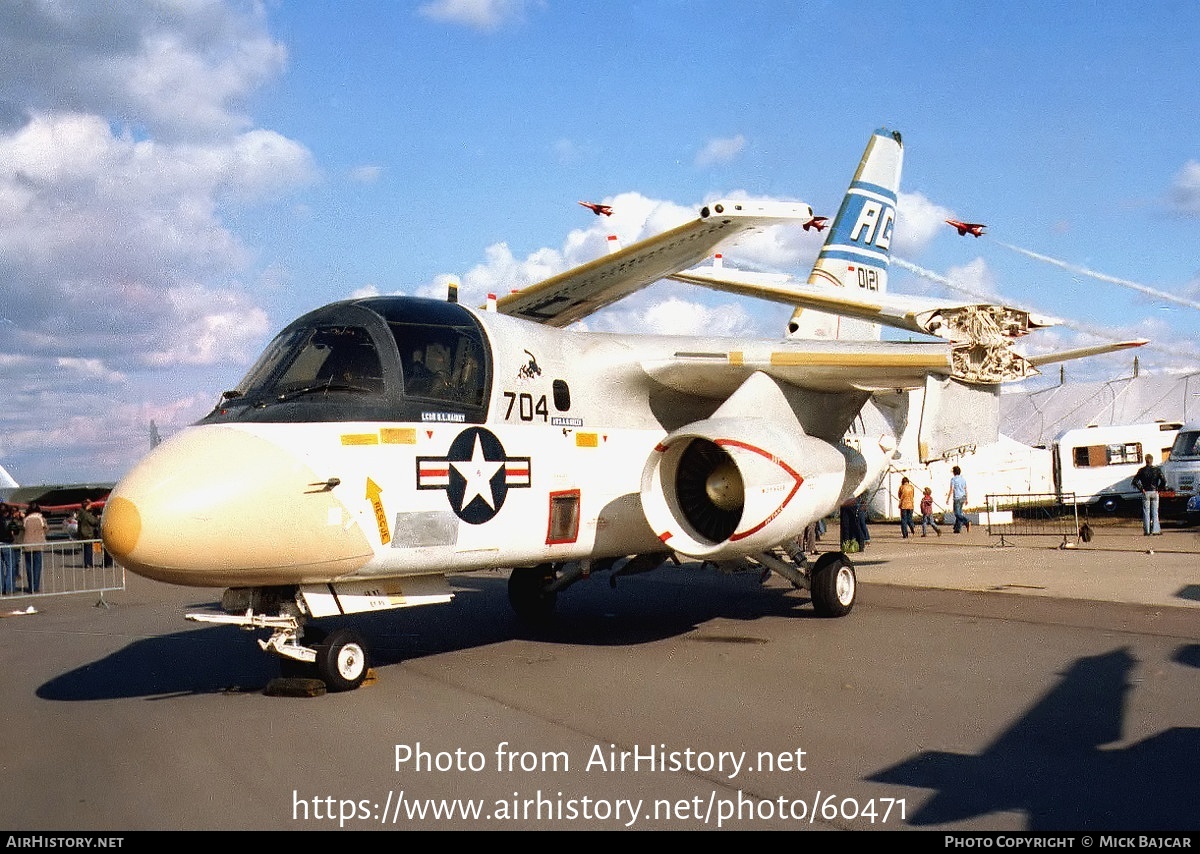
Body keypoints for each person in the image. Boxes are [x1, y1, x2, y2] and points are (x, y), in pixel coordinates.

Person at [1132, 453, 1166, 536]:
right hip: (1154, 491)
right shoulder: (1157, 470)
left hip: (1145, 492)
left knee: (1146, 511)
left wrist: (1141, 489)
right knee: (1155, 511)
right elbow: (1164, 480)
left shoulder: (1141, 470)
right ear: (1152, 460)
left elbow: (1135, 481)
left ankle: (1147, 531)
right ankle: (1155, 530)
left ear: (1145, 460)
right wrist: (1159, 488)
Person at [20, 502, 47, 593]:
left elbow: (23, 529)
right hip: (38, 545)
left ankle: (31, 586)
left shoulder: (26, 519)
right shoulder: (41, 518)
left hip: (28, 545)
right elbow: (46, 529)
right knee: (37, 567)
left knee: (29, 567)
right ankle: (35, 586)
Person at [77, 498, 101, 568]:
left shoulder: (81, 513)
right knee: (88, 550)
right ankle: (88, 563)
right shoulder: (86, 514)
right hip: (88, 534)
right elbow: (94, 521)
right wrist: (98, 519)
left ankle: (87, 563)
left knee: (86, 550)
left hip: (83, 534)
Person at [946, 466, 970, 533]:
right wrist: (967, 498)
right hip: (963, 497)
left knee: (957, 513)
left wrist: (948, 499)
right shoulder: (963, 479)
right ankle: (957, 529)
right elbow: (965, 489)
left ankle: (967, 521)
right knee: (959, 512)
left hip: (957, 497)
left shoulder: (953, 479)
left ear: (954, 472)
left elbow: (951, 489)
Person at [0, 504, 17, 595]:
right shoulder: (9, 520)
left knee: (0, 567)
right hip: (7, 543)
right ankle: (9, 587)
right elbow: (16, 530)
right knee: (10, 565)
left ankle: (1, 588)